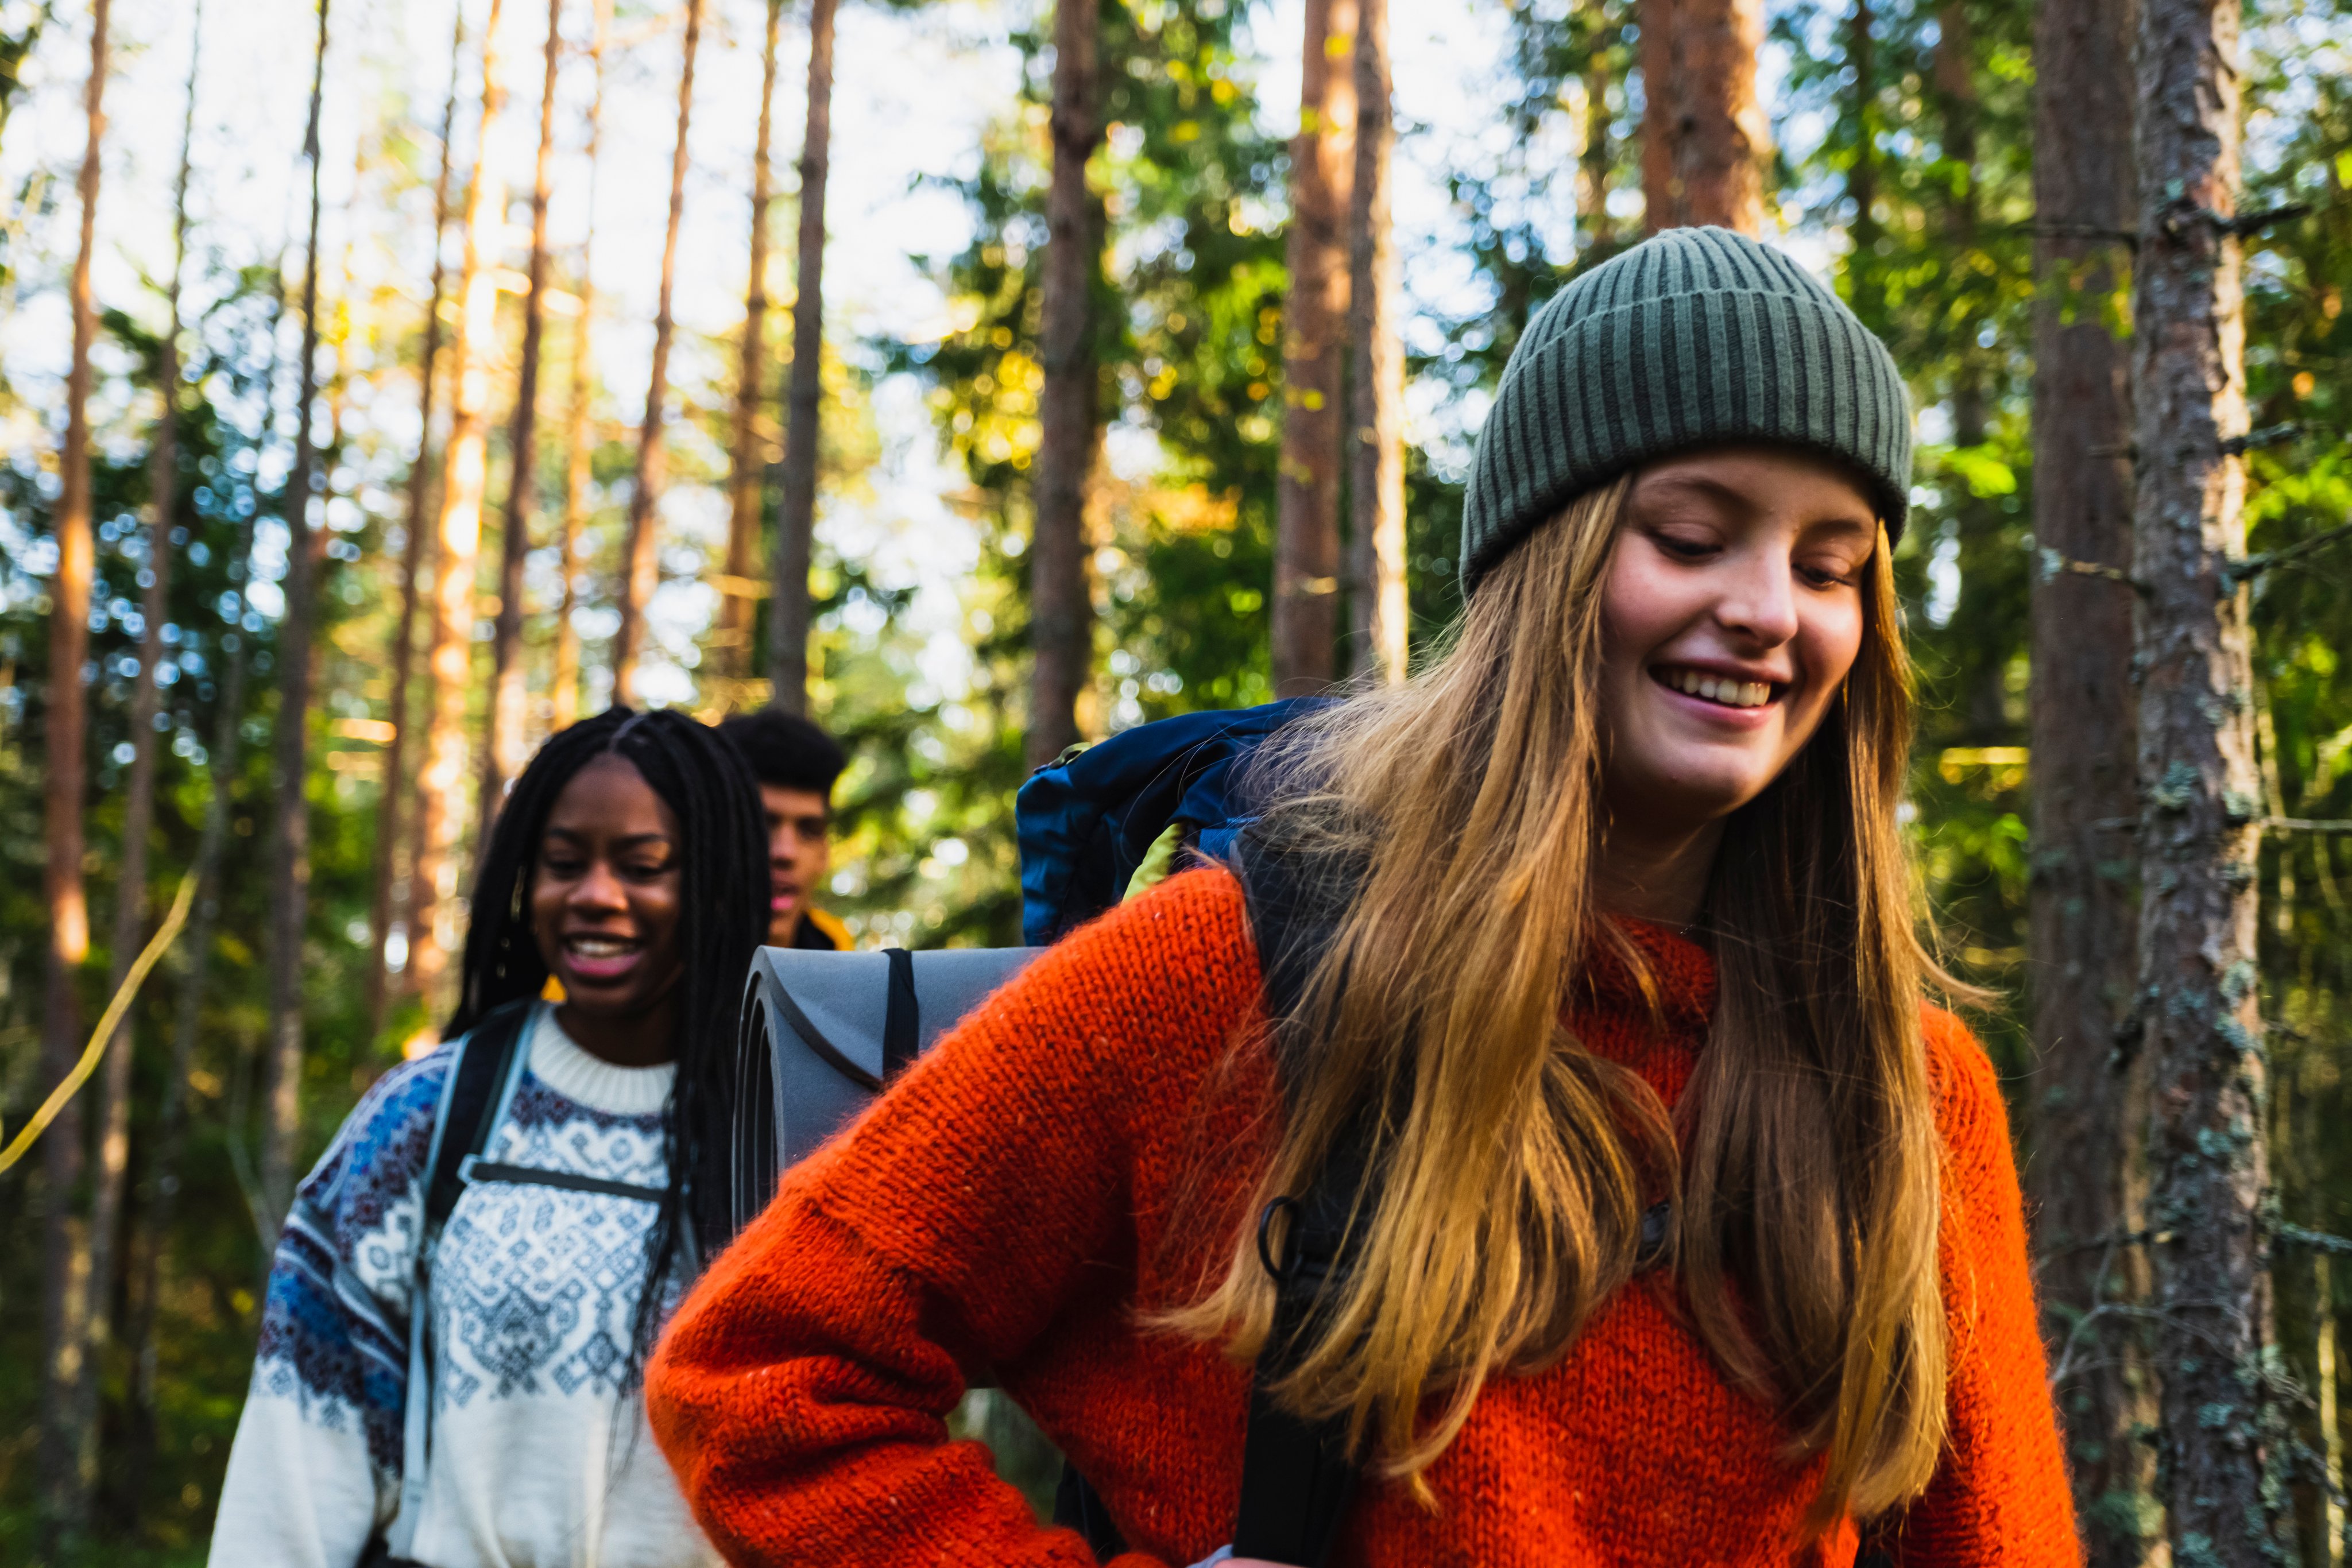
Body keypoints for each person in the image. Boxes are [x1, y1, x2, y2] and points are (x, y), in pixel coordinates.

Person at [645, 227, 2077, 1565]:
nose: (1770, 607)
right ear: (1546, 568)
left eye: (1829, 566)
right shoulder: (1243, 976)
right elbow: (762, 1374)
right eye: (1693, 539)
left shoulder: (1905, 1091)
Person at [210, 707, 767, 1568]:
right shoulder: (423, 1119)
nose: (595, 894)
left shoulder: (784, 1134)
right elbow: (299, 1452)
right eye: (562, 863)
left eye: (645, 865)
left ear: (718, 884)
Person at [717, 708, 853, 951]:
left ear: (824, 853)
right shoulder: (653, 969)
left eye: (810, 831)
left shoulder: (839, 952)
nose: (785, 853)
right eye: (760, 827)